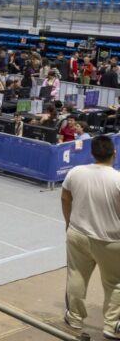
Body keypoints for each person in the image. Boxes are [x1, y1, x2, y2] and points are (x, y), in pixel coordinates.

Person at [60, 135, 120, 338]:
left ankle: (74, 318)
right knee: (115, 283)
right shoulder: (118, 179)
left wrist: (69, 223)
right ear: (114, 153)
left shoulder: (76, 172)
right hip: (110, 241)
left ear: (92, 153)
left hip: (77, 234)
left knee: (76, 276)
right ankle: (112, 326)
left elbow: (65, 197)